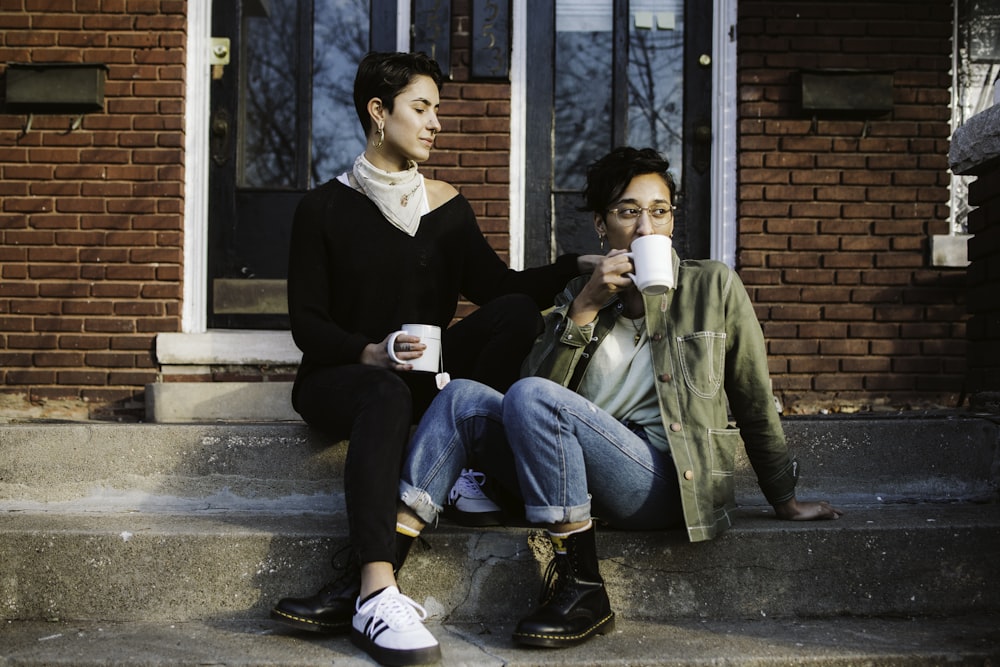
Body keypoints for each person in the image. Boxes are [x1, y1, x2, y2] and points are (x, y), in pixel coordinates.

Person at [392, 146, 844, 650]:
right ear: (602, 226)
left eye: (660, 211)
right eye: (629, 212)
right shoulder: (576, 296)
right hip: (585, 472)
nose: (646, 227)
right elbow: (532, 404)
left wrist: (785, 498)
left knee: (531, 397)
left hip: (667, 480)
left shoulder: (714, 286)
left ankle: (584, 590)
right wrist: (584, 307)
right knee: (461, 398)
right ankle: (377, 576)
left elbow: (754, 397)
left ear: (672, 220)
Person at [270, 51, 599, 666]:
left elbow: (500, 287)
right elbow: (307, 325)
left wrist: (578, 266)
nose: (435, 123)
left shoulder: (445, 206)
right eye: (421, 109)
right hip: (345, 379)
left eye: (436, 111)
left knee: (513, 315)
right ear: (378, 112)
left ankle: (469, 457)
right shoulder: (321, 209)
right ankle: (374, 590)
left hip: (428, 375)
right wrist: (368, 352)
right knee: (386, 393)